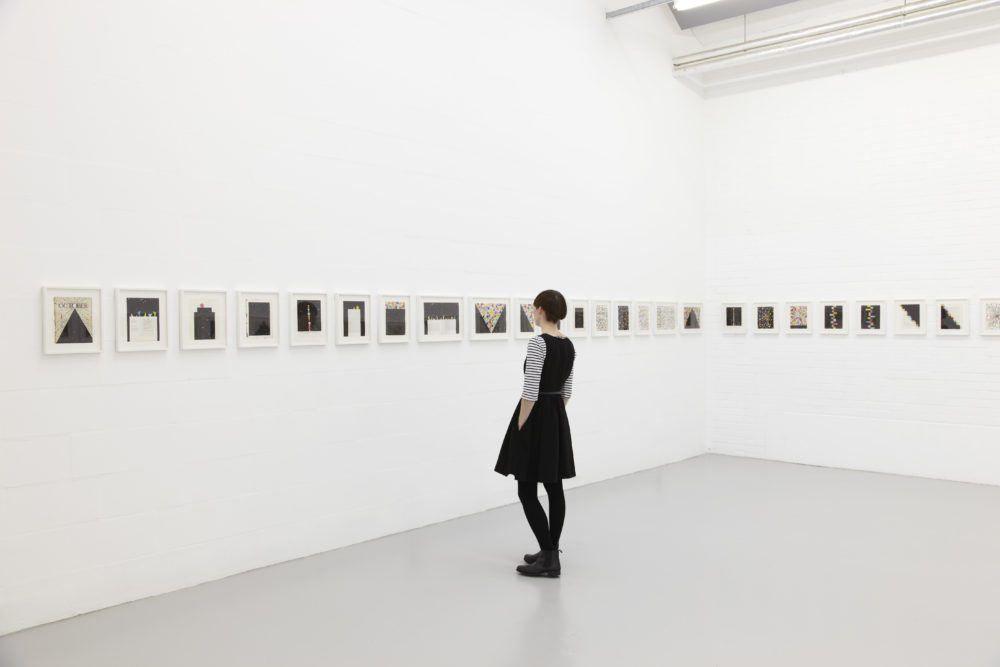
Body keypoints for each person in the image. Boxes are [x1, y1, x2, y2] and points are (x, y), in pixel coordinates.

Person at [494, 289, 576, 577]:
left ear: (541, 309)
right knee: (554, 487)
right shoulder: (568, 345)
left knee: (526, 489)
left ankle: (549, 556)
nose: (532, 312)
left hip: (535, 415)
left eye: (533, 307)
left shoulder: (538, 343)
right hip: (556, 415)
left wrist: (521, 424)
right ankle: (550, 550)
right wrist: (554, 417)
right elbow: (567, 391)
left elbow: (530, 390)